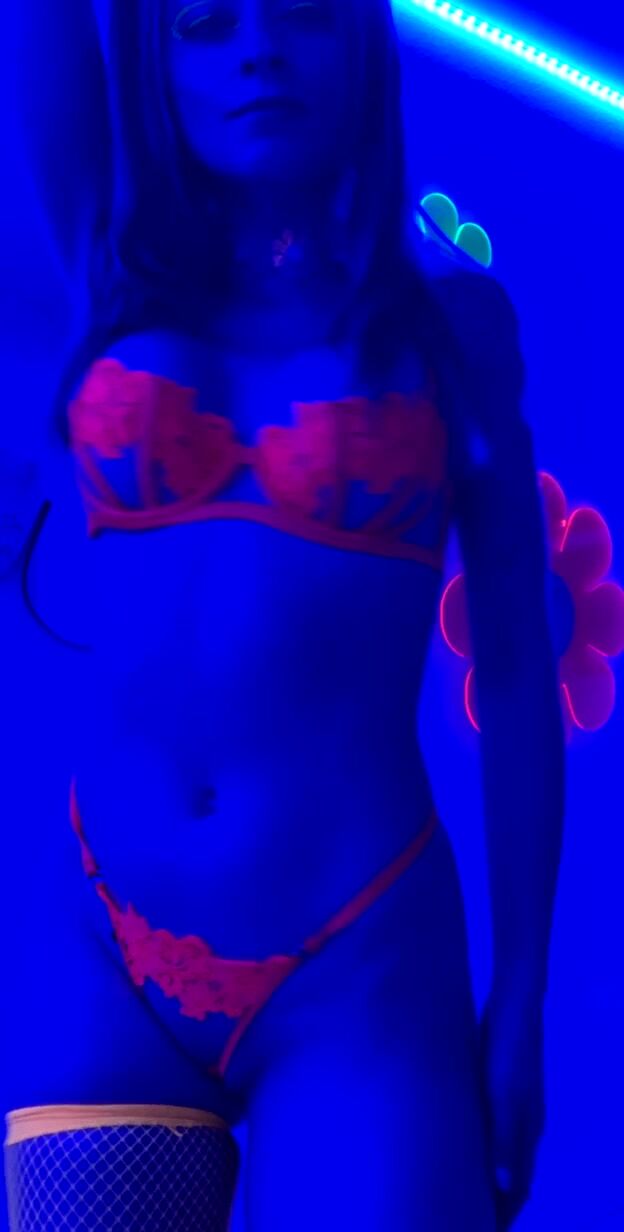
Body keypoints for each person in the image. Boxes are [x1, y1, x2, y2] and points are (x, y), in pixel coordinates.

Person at [4, 0, 566, 1228]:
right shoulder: (104, 261)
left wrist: (522, 995)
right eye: (206, 25)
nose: (258, 48)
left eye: (303, 15)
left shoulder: (455, 326)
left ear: (362, 45)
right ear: (154, 62)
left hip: (358, 961)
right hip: (102, 943)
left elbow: (521, 664)